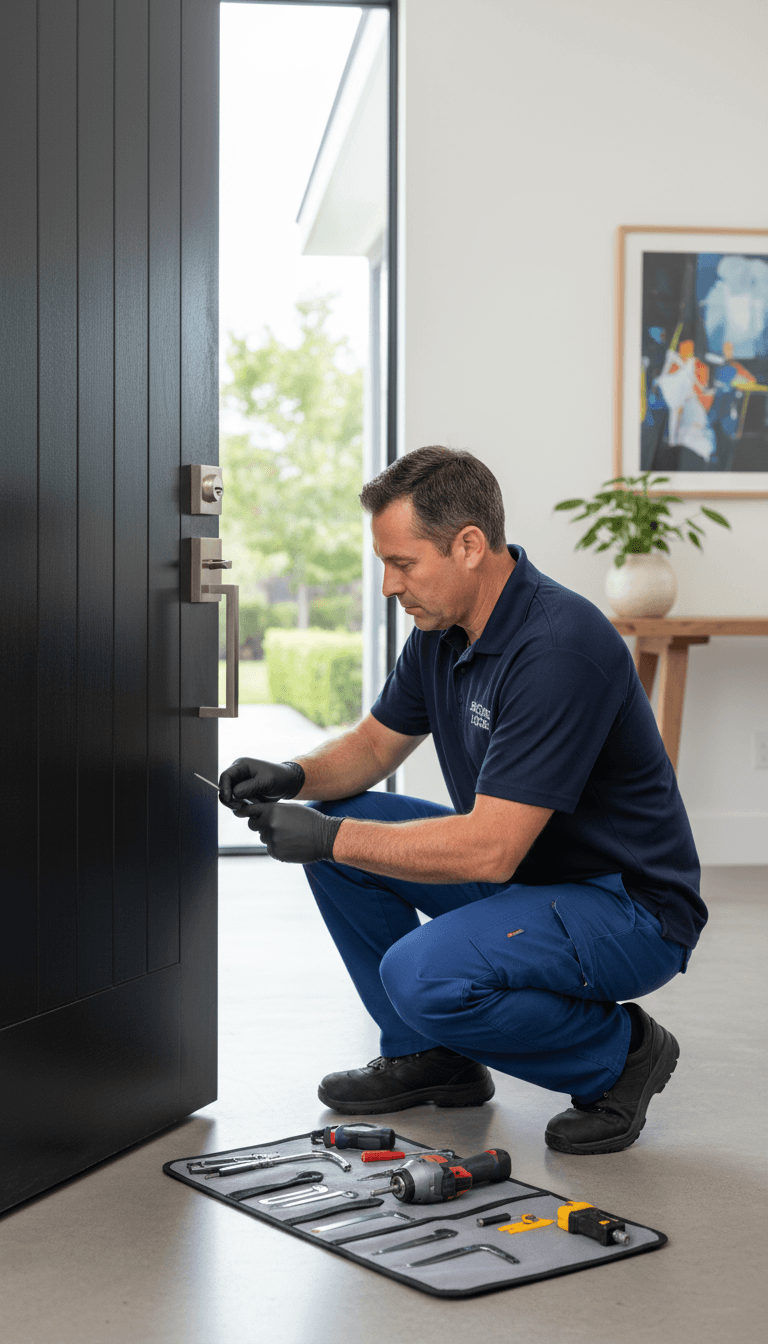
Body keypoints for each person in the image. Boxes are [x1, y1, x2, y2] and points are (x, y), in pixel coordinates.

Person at [219, 447, 705, 1156]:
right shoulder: (441, 633)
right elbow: (375, 748)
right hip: (532, 873)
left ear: (470, 545)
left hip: (628, 906)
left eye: (403, 563)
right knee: (349, 829)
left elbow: (490, 846)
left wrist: (326, 837)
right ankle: (432, 1058)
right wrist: (291, 775)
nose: (390, 584)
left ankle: (620, 1054)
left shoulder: (557, 648)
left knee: (418, 970)